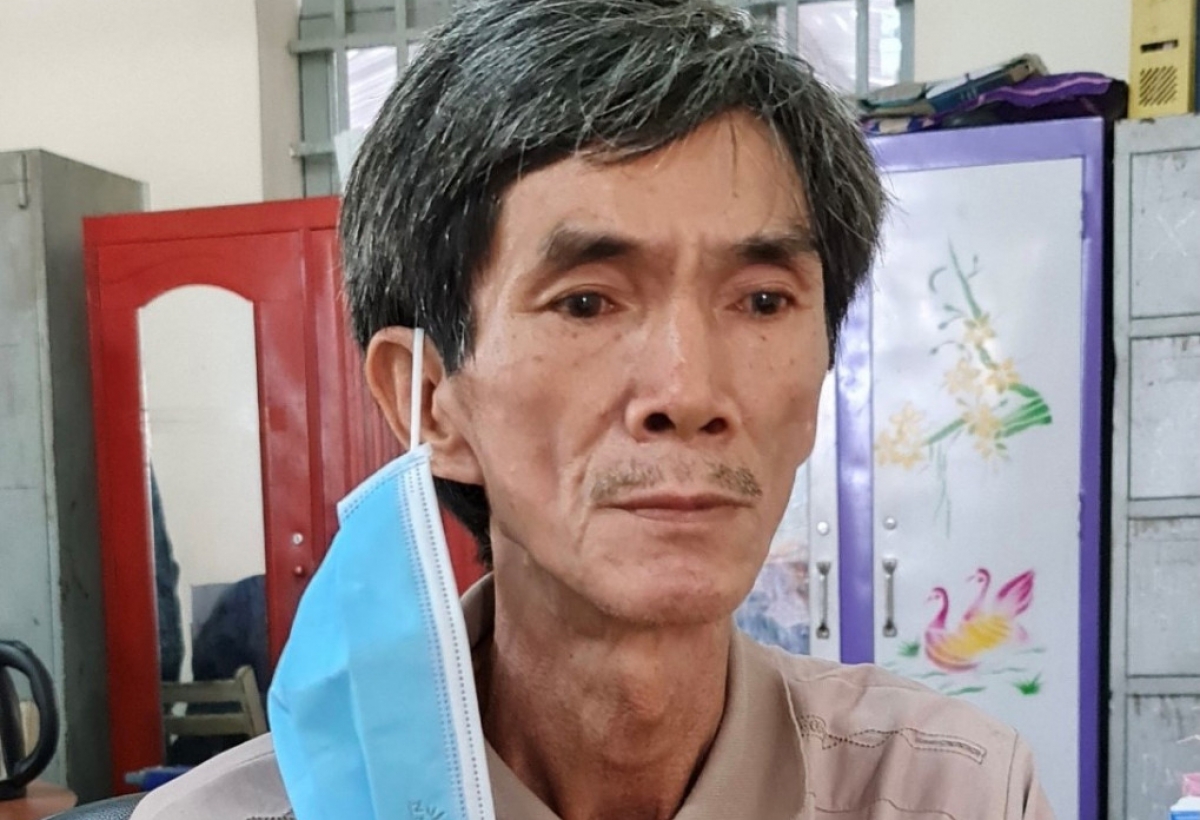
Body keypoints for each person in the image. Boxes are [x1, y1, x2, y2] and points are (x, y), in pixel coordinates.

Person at [133, 1, 1053, 817]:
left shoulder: (957, 794)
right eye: (585, 302)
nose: (689, 393)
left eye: (763, 301)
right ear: (430, 402)